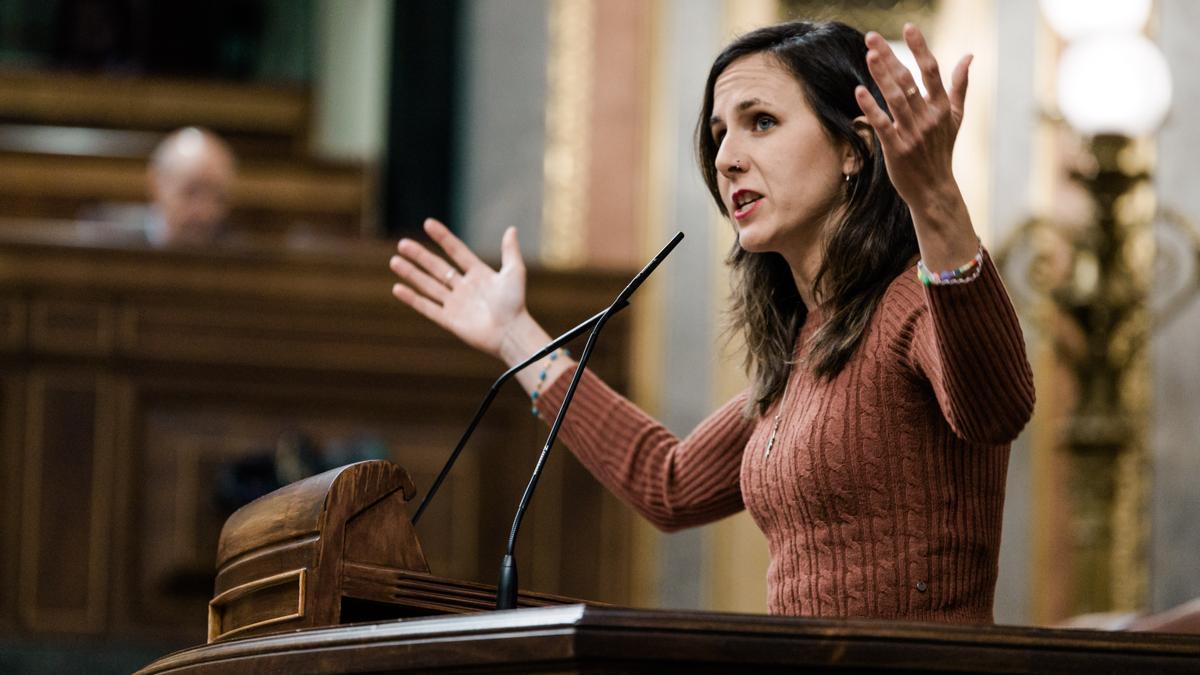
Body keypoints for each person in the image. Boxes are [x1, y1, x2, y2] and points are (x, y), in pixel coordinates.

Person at [388, 20, 1035, 624]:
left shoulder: (915, 303)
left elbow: (997, 408)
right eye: (719, 132)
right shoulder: (804, 352)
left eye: (761, 121)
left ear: (855, 149)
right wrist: (513, 334)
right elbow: (667, 482)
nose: (726, 157)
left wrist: (936, 198)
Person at [145, 126, 237, 246]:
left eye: (218, 198)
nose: (205, 213)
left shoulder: (239, 255)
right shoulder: (118, 242)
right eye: (191, 192)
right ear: (155, 186)